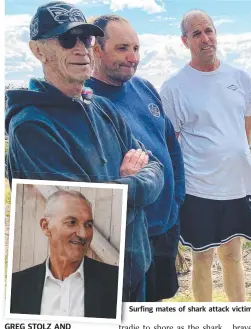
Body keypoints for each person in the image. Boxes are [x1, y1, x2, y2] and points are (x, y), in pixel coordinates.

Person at [5, 1, 164, 302]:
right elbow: (79, 214)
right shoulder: (30, 127)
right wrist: (132, 182)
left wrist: (120, 188)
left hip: (133, 267)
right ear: (38, 50)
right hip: (82, 286)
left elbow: (155, 167)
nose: (81, 49)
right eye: (67, 40)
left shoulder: (104, 108)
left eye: (87, 39)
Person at [159, 9, 251, 302]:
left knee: (232, 257)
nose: (205, 38)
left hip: (236, 186)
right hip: (198, 188)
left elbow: (247, 126)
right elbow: (171, 142)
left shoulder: (240, 78)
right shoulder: (175, 86)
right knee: (201, 258)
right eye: (196, 34)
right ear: (184, 41)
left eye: (209, 31)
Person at [87, 14, 185, 302]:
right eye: (122, 49)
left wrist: (177, 198)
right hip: (129, 236)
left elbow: (170, 145)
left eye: (136, 48)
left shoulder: (143, 87)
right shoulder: (87, 103)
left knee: (160, 299)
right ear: (96, 50)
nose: (132, 57)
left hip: (165, 228)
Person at [10, 191, 118, 319]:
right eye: (72, 222)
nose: (83, 234)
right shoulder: (15, 286)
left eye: (88, 225)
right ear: (46, 226)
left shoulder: (115, 281)